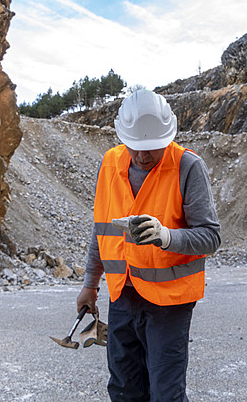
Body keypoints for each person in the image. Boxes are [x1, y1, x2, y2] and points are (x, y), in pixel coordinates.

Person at [76, 89, 221, 402]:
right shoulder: (110, 164)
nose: (141, 156)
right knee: (124, 390)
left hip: (169, 304)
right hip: (122, 296)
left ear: (167, 138)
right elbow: (101, 229)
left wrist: (166, 236)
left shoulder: (188, 167)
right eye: (135, 147)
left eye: (151, 149)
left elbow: (211, 235)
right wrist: (90, 284)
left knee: (165, 394)